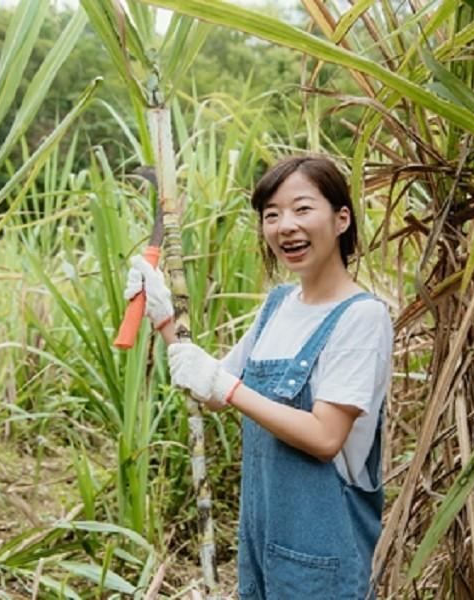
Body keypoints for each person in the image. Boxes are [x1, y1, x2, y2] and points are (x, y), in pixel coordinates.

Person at [124, 156, 392, 599]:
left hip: (320, 561)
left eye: (302, 209)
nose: (285, 225)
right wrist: (163, 316)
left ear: (341, 219)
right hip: (263, 545)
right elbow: (213, 390)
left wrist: (226, 386)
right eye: (272, 215)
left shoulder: (361, 317)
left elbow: (326, 436)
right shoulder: (278, 305)